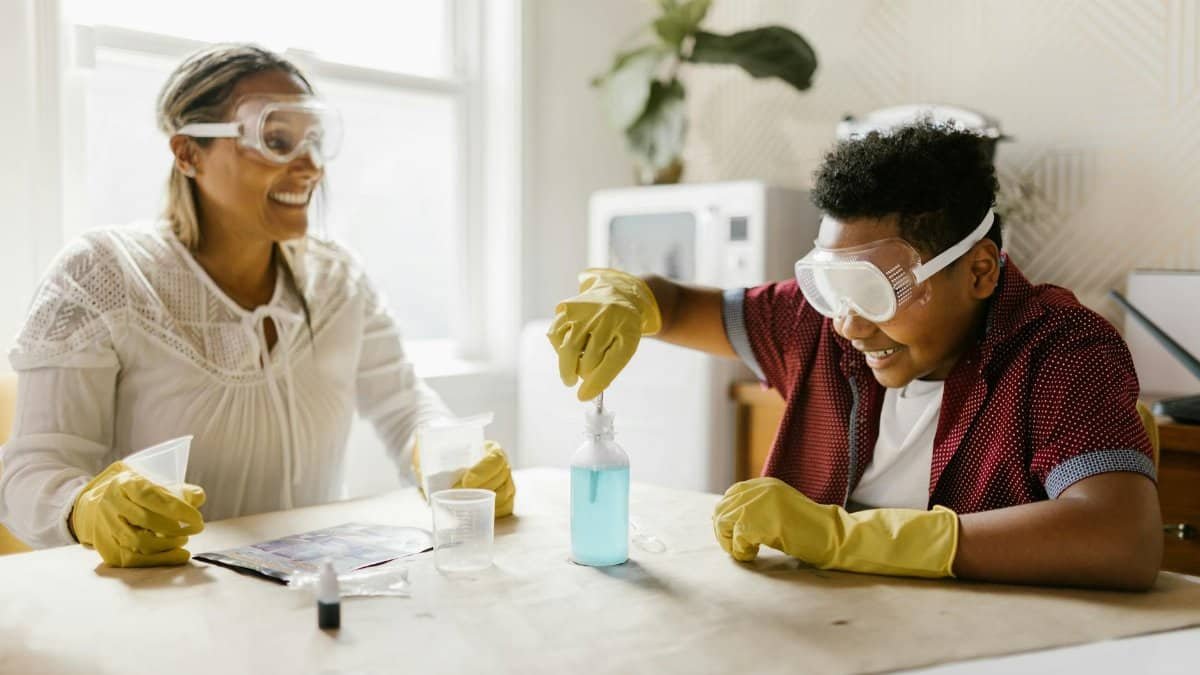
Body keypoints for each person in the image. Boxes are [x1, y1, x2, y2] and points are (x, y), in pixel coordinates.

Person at [549, 123, 1161, 590]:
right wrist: (628, 299)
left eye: (876, 289)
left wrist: (844, 537)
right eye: (833, 286)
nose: (849, 323)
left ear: (978, 272)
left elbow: (1122, 539)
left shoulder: (1062, 351)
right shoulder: (817, 326)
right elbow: (678, 306)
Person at [0, 44, 514, 567]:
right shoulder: (104, 275)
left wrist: (450, 456)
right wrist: (83, 506)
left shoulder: (338, 279)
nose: (310, 167)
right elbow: (30, 472)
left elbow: (406, 407)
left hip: (314, 603)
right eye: (276, 141)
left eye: (312, 141)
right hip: (161, 610)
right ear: (188, 154)